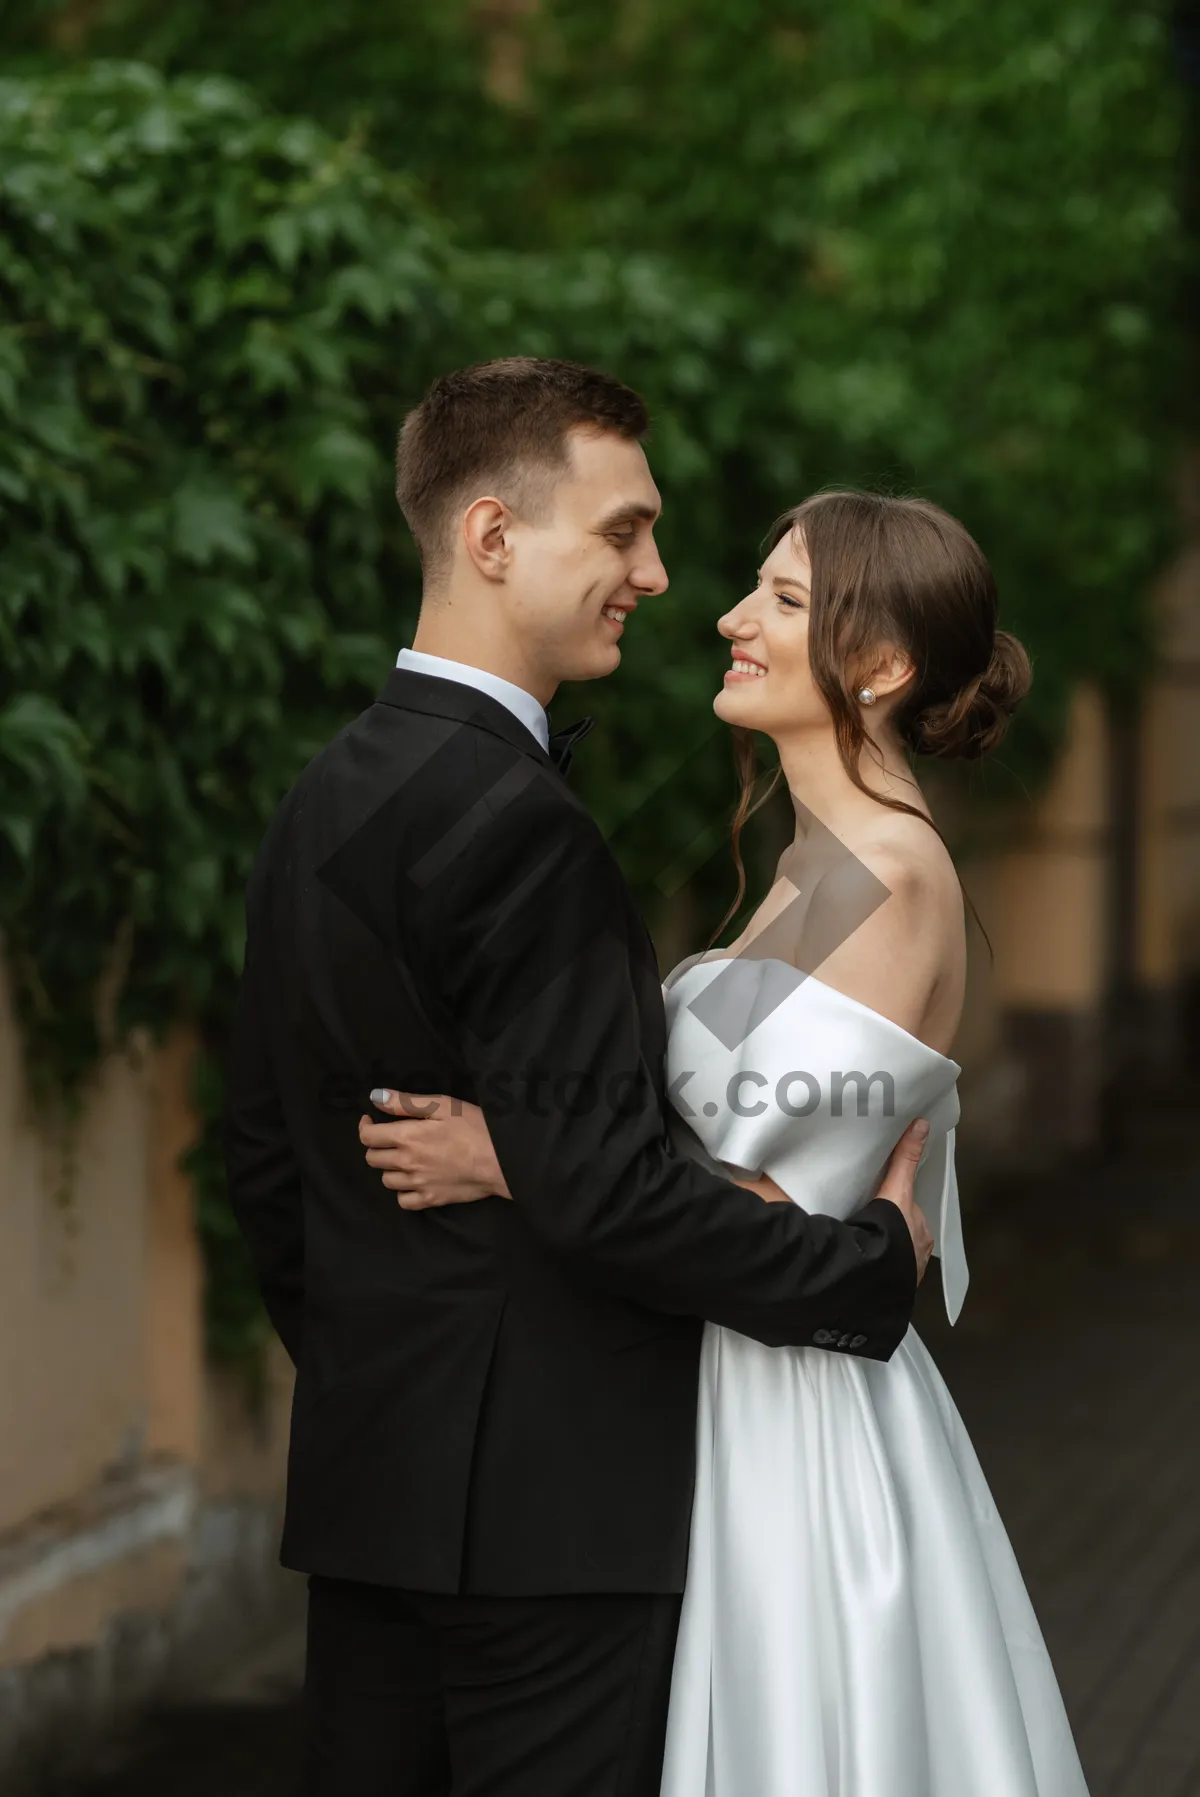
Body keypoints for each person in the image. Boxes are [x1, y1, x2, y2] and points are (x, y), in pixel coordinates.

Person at [224, 358, 932, 1797]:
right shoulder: (514, 822)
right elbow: (609, 1200)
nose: (660, 577)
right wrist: (868, 1272)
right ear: (492, 539)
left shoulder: (330, 790)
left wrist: (395, 1369)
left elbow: (268, 1164)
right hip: (558, 1517)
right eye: (622, 533)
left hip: (375, 1490)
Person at [362, 489, 1093, 1795]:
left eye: (786, 601)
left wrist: (506, 1159)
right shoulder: (813, 866)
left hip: (794, 1419)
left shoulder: (894, 872)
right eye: (758, 589)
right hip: (721, 1384)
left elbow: (770, 1213)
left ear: (879, 669)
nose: (731, 617)